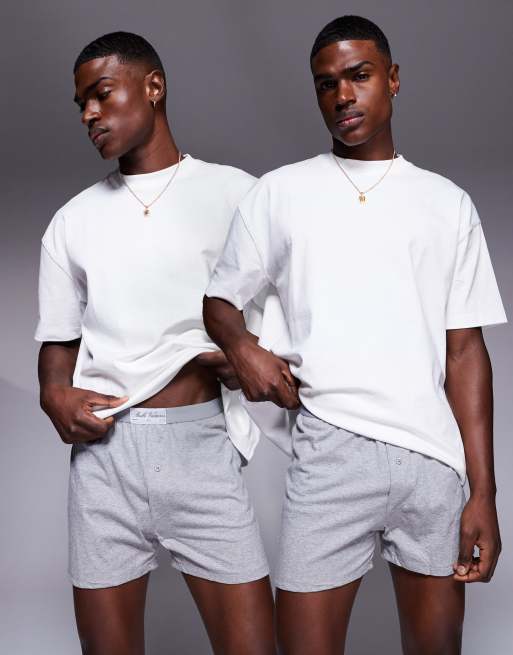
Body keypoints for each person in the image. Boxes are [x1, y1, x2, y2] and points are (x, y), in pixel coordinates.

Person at [203, 15, 507, 655]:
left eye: (359, 76)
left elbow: (465, 353)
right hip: (329, 451)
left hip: (431, 459)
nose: (342, 95)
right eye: (326, 84)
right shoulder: (281, 192)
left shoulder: (447, 203)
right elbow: (220, 303)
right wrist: (246, 351)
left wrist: (484, 492)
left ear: (392, 79)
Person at [35, 31, 276, 655]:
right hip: (106, 460)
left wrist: (247, 351)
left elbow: (289, 308)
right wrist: (53, 395)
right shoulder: (72, 221)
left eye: (102, 94)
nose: (89, 114)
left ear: (154, 86)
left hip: (201, 448)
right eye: (81, 104)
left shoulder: (238, 194)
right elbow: (57, 342)